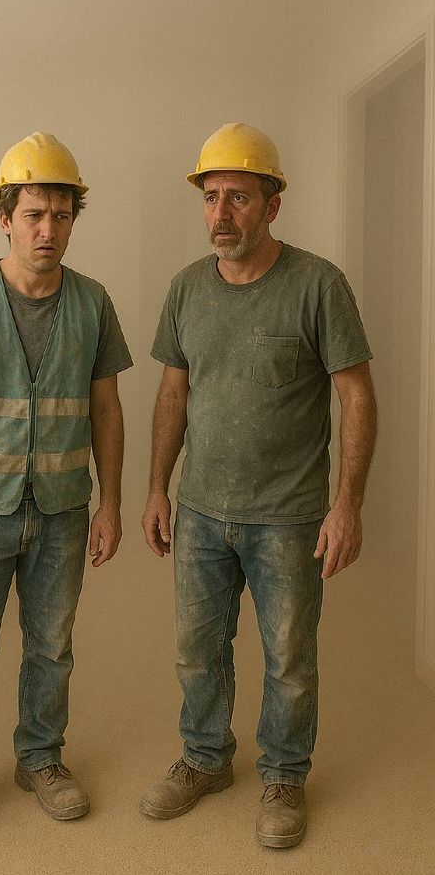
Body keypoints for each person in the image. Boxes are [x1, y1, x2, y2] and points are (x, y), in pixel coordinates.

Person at [140, 123, 376, 848]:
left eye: (238, 197)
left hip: (289, 516)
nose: (220, 214)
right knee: (197, 650)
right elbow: (173, 394)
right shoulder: (187, 288)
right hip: (201, 512)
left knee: (290, 661)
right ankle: (205, 758)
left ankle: (284, 776)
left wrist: (347, 504)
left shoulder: (317, 284)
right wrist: (157, 488)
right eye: (211, 197)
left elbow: (357, 396)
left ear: (273, 204)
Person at [0, 132, 133, 845]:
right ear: (5, 217)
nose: (48, 230)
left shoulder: (93, 303)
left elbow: (106, 410)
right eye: (34, 214)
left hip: (63, 510)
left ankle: (41, 758)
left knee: (52, 647)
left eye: (62, 216)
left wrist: (111, 503)